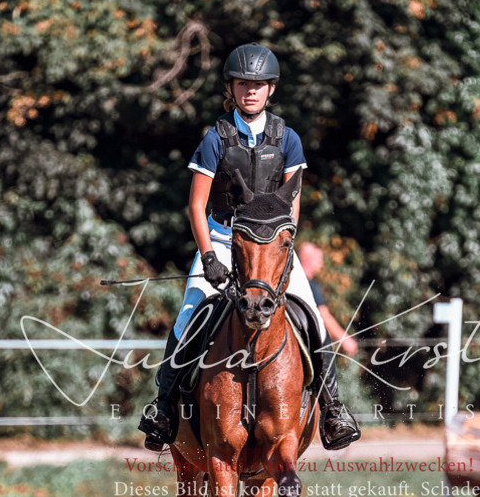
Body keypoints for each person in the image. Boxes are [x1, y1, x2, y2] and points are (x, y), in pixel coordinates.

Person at [138, 42, 361, 453]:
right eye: (243, 84)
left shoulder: (288, 138)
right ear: (233, 88)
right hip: (223, 240)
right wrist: (208, 255)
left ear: (270, 89)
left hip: (273, 247)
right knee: (188, 315)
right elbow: (196, 204)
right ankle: (164, 407)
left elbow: (291, 206)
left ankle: (332, 408)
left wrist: (282, 250)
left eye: (258, 85)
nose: (251, 91)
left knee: (310, 315)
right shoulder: (215, 138)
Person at [296, 242, 359, 358]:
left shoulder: (292, 281)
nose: (322, 262)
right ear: (308, 259)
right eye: (319, 259)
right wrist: (345, 339)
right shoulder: (309, 286)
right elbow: (323, 315)